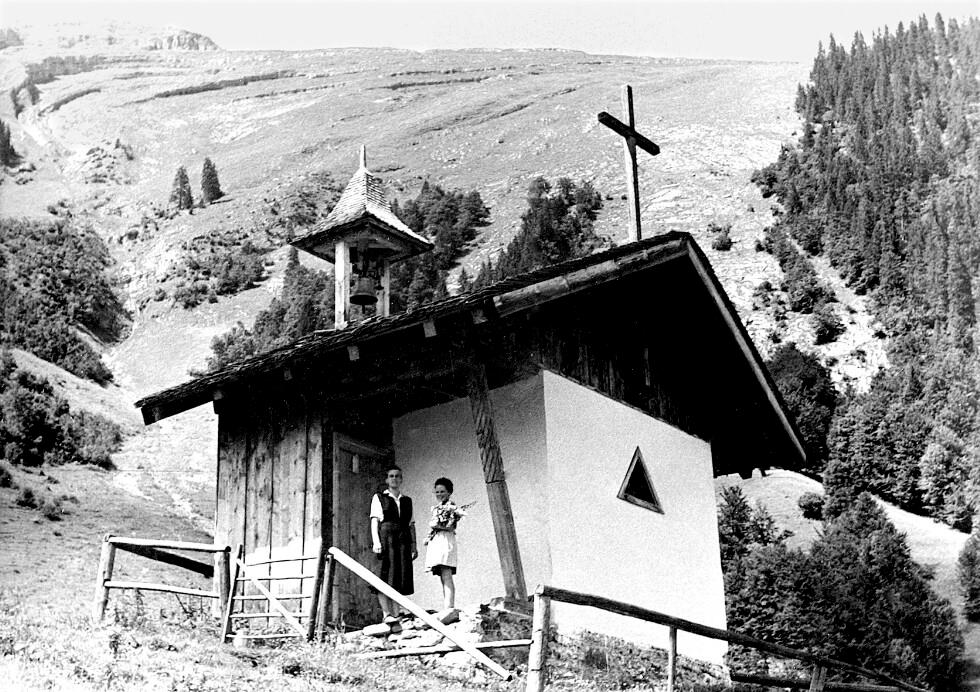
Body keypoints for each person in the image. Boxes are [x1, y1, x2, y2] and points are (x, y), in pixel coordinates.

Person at [370, 464, 417, 623]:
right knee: (384, 575)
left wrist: (414, 545)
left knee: (398, 575)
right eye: (391, 476)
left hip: (402, 540)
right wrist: (376, 542)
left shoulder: (407, 500)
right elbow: (374, 521)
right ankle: (386, 613)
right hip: (387, 539)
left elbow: (411, 525)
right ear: (386, 479)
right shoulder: (379, 498)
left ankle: (397, 613)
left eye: (397, 476)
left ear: (401, 479)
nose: (394, 479)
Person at [424, 477, 463, 611]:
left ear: (449, 492)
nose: (439, 494)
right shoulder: (437, 508)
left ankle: (449, 606)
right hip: (438, 541)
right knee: (442, 575)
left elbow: (451, 526)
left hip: (446, 540)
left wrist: (437, 525)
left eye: (442, 491)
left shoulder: (451, 507)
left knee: (446, 573)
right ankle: (446, 605)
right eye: (437, 492)